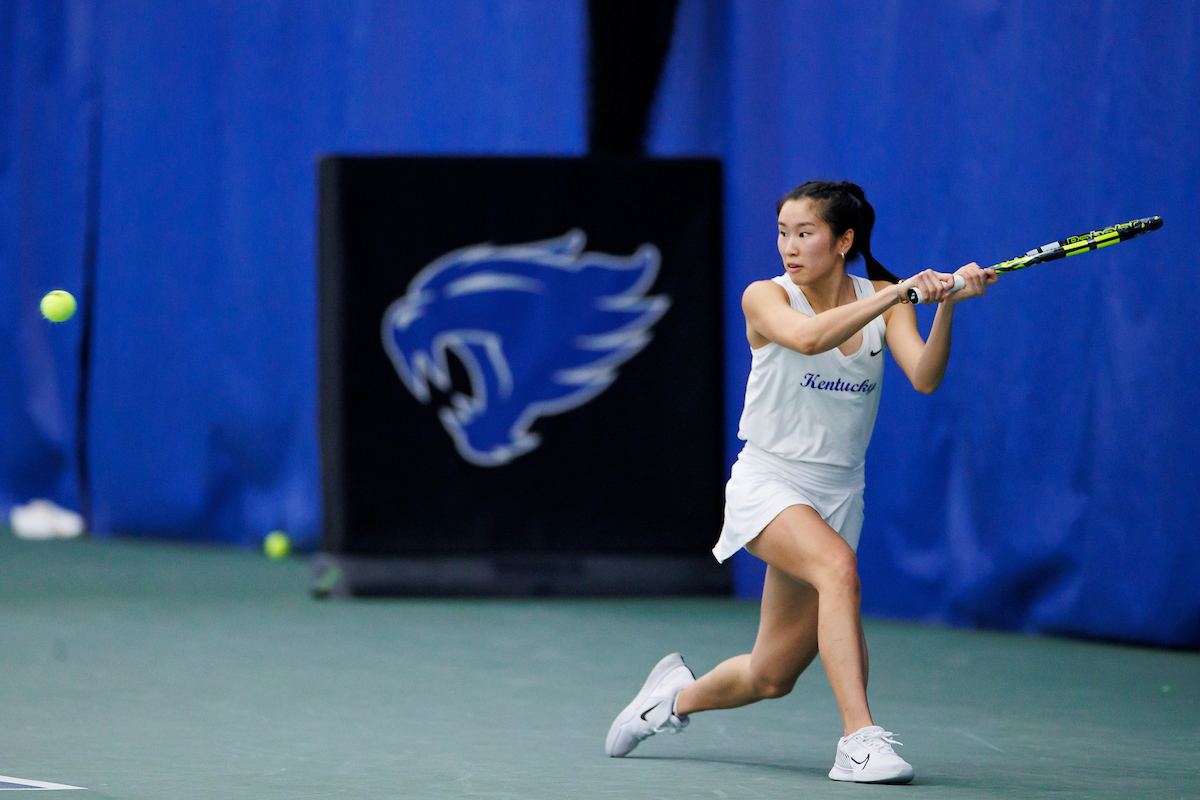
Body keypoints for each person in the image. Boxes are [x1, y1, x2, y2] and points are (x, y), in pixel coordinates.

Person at [605, 180, 998, 783]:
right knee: (838, 567)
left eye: (805, 233)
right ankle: (859, 740)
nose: (789, 246)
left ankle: (669, 700)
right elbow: (810, 338)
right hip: (769, 482)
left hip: (840, 493)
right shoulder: (765, 296)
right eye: (783, 232)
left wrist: (942, 305)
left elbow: (923, 376)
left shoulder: (885, 301)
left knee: (771, 675)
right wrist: (901, 292)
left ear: (843, 241)